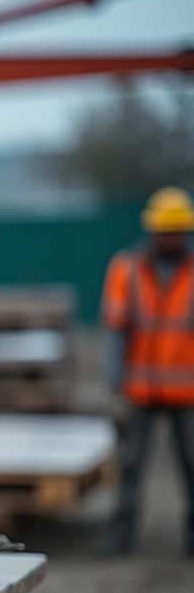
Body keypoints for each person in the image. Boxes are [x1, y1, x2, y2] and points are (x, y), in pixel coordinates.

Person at [101, 186, 194, 555]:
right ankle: (121, 539)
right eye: (165, 230)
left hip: (188, 394)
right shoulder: (127, 270)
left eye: (176, 231)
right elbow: (115, 332)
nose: (170, 237)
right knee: (129, 467)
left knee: (192, 469)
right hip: (138, 391)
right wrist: (114, 388)